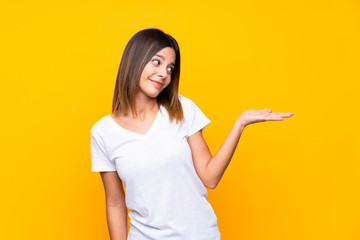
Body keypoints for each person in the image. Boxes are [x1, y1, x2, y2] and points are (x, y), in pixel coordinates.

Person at [90, 28, 294, 240]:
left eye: (170, 68)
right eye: (157, 62)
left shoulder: (181, 109)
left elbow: (210, 177)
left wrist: (240, 124)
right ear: (135, 60)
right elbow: (114, 202)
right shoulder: (103, 133)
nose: (164, 74)